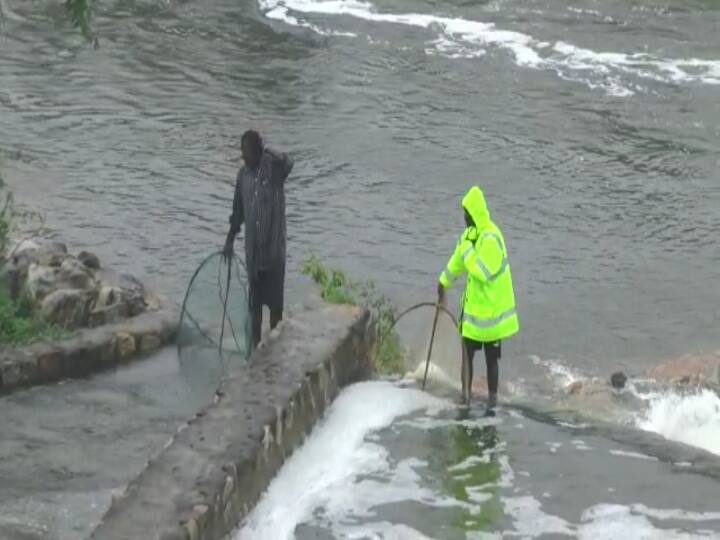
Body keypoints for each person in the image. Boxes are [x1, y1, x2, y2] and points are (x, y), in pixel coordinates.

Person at [437, 186, 519, 414]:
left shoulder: (492, 238)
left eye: (466, 214)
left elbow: (483, 272)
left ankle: (493, 401)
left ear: (474, 214)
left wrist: (467, 253)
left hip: (492, 317)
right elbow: (457, 262)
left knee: (492, 360)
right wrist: (443, 282)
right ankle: (466, 396)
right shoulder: (469, 237)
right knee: (467, 355)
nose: (464, 219)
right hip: (474, 315)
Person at [224, 130, 294, 349]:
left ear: (258, 150)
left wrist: (271, 152)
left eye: (247, 152)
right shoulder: (242, 176)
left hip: (273, 255)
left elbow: (289, 162)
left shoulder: (273, 170)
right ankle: (254, 350)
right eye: (242, 152)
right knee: (254, 309)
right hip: (254, 256)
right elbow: (238, 212)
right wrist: (229, 240)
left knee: (275, 308)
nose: (243, 157)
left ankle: (273, 350)